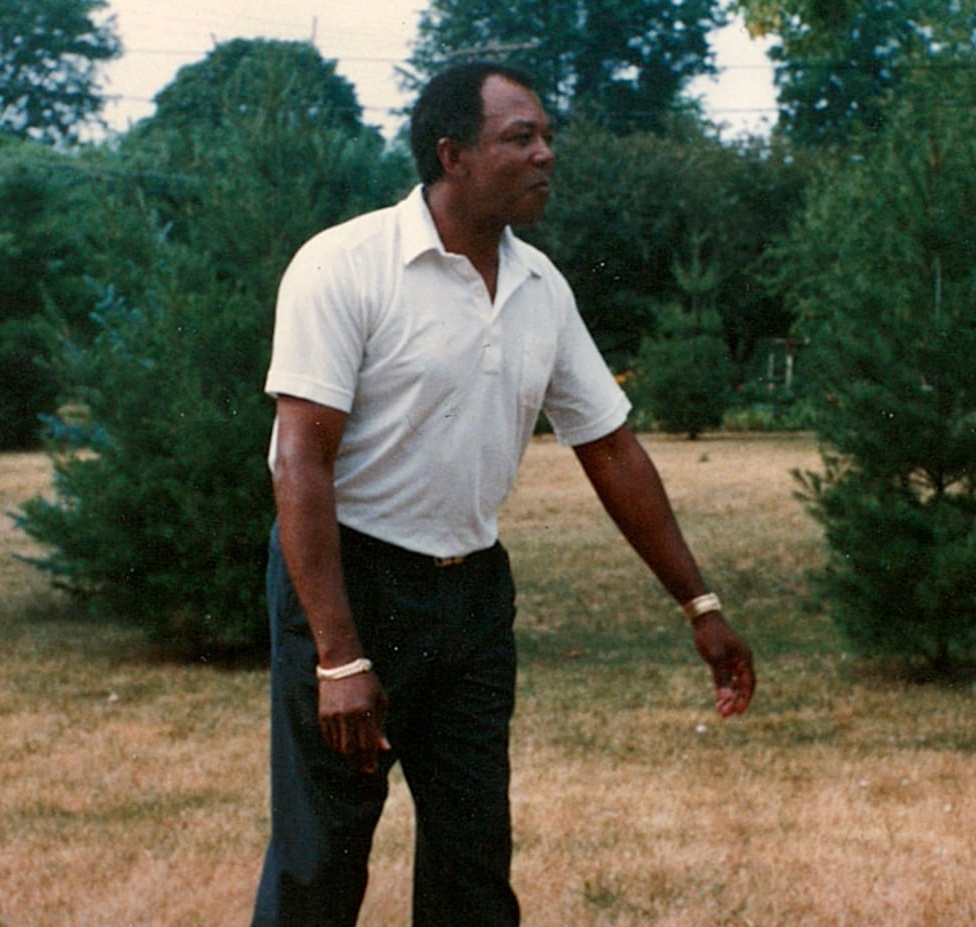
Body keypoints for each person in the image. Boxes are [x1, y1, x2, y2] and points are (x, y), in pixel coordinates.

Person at [252, 62, 756, 927]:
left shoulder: (541, 289)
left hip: (472, 598)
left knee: (474, 869)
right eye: (520, 138)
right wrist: (338, 655)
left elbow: (612, 450)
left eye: (546, 137)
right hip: (352, 588)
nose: (545, 155)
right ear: (452, 155)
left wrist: (699, 603)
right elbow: (300, 461)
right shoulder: (344, 266)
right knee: (321, 864)